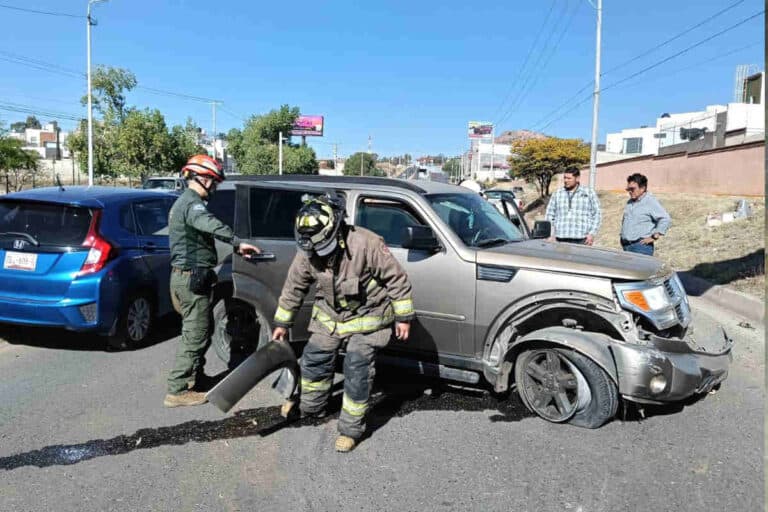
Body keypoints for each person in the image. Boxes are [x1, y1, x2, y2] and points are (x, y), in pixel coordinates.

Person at [272, 193, 415, 452]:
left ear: (336, 230)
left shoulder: (366, 243)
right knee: (314, 358)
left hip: (368, 316)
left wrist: (403, 317)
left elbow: (397, 280)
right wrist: (282, 322)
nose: (316, 253)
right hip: (332, 316)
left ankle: (351, 429)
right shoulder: (308, 249)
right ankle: (311, 407)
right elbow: (294, 287)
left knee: (357, 366)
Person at [164, 154, 261, 408]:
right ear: (203, 179)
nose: (215, 187)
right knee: (194, 334)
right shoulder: (192, 204)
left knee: (201, 329)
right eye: (214, 182)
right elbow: (209, 224)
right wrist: (237, 242)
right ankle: (178, 389)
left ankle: (194, 379)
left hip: (189, 278)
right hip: (190, 279)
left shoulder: (186, 202)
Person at [545, 168, 601, 245]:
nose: (566, 181)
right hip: (560, 238)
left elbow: (597, 214)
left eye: (569, 178)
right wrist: (551, 234)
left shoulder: (589, 193)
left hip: (582, 239)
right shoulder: (557, 193)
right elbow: (549, 215)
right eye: (565, 178)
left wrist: (591, 234)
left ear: (577, 178)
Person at [620, 173, 671, 255]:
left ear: (642, 188)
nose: (629, 192)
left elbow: (665, 219)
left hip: (641, 247)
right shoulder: (630, 202)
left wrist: (654, 236)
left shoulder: (650, 202)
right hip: (626, 246)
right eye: (628, 189)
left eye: (632, 189)